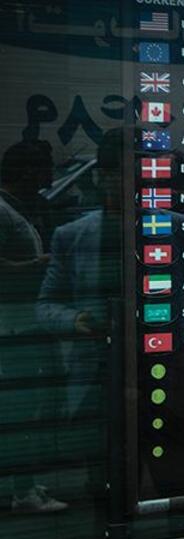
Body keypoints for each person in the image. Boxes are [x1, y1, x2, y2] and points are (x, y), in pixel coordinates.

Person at [0, 140, 67, 513]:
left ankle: (24, 483)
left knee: (31, 405)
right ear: (27, 171)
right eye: (45, 168)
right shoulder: (3, 211)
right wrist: (40, 265)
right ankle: (22, 492)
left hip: (27, 323)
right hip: (15, 327)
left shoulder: (20, 208)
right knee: (22, 408)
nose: (50, 176)